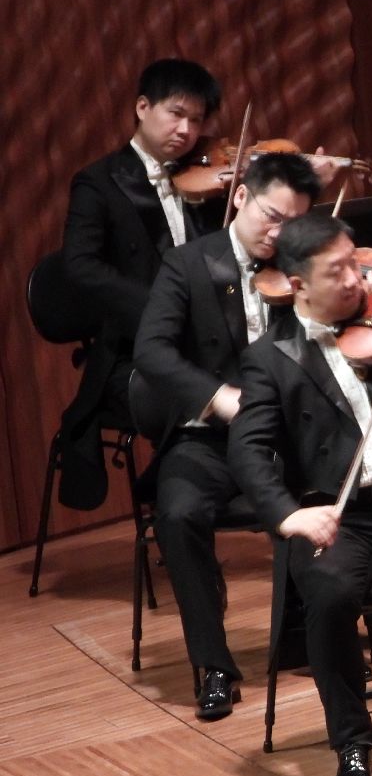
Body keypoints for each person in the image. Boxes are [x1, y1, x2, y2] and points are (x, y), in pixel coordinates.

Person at [230, 214, 372, 776]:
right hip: (344, 515)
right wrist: (288, 515)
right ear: (297, 285)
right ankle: (352, 740)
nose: (354, 280)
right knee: (332, 594)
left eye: (354, 265)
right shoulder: (270, 358)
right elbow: (247, 448)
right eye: (336, 272)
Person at [133, 153, 322, 719]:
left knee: (332, 495)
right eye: (271, 217)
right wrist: (219, 397)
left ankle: (315, 636)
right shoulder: (188, 264)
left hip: (285, 439)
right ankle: (213, 665)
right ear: (240, 196)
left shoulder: (303, 267)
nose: (279, 234)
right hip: (209, 438)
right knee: (179, 514)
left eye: (294, 223)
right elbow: (151, 351)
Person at [59, 58, 222, 510]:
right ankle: (176, 498)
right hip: (132, 354)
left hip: (205, 343)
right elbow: (81, 267)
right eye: (176, 113)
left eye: (196, 120)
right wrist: (161, 311)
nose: (186, 130)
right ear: (143, 107)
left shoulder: (206, 181)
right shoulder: (98, 183)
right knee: (195, 395)